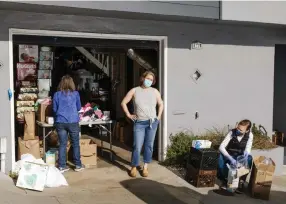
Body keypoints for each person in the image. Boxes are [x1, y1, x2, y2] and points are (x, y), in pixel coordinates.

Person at [121, 71, 164, 177]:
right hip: (139, 123)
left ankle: (145, 167)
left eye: (151, 80)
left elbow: (161, 104)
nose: (149, 81)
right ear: (142, 78)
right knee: (137, 146)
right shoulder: (135, 90)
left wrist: (158, 117)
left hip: (152, 122)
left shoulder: (155, 91)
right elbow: (123, 102)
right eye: (147, 78)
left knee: (149, 146)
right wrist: (128, 114)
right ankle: (134, 167)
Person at [53, 75, 84, 173]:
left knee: (62, 144)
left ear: (61, 83)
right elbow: (79, 107)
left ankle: (62, 166)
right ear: (72, 83)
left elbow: (54, 109)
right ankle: (78, 165)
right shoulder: (75, 94)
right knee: (75, 143)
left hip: (60, 121)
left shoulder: (57, 94)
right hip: (73, 121)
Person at [218, 119, 253, 193]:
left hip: (240, 157)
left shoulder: (250, 135)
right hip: (230, 155)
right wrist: (230, 158)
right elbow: (221, 147)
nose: (238, 130)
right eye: (238, 128)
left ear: (246, 131)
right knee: (220, 156)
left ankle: (241, 181)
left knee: (249, 158)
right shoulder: (232, 132)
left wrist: (246, 153)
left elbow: (248, 147)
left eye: (241, 130)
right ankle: (225, 179)